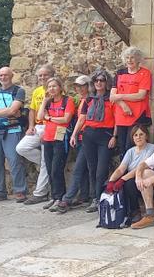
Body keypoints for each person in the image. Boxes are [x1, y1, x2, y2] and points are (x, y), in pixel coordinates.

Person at [71, 70, 117, 213]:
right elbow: (82, 118)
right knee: (91, 168)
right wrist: (74, 134)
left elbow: (117, 120)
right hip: (89, 134)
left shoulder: (111, 99)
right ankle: (94, 198)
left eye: (102, 80)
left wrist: (114, 136)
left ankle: (99, 197)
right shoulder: (89, 99)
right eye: (96, 80)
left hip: (105, 135)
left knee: (101, 170)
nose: (99, 83)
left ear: (106, 82)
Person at [0, 67, 28, 203]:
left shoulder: (18, 91)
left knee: (14, 161)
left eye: (5, 75)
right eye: (0, 75)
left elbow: (13, 110)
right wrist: (7, 111)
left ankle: (20, 191)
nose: (3, 78)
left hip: (13, 130)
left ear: (11, 76)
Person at [16, 64, 55, 205]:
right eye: (40, 75)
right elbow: (32, 110)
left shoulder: (55, 91)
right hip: (38, 126)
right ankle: (49, 164)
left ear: (52, 76)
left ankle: (40, 193)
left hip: (49, 127)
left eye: (45, 75)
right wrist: (31, 126)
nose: (42, 78)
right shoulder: (37, 91)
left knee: (45, 162)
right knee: (21, 148)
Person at [38, 77, 76, 214]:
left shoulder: (67, 101)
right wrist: (44, 101)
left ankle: (60, 198)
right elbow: (40, 115)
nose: (52, 89)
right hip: (48, 137)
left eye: (54, 86)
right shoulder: (48, 102)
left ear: (60, 87)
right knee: (49, 169)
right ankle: (54, 197)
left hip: (61, 138)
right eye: (49, 87)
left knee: (56, 169)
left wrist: (49, 118)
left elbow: (66, 119)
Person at [105, 125, 154, 226]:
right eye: (135, 135)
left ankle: (135, 211)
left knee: (128, 183)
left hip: (146, 180)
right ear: (132, 138)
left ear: (146, 136)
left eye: (141, 134)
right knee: (109, 183)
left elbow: (141, 168)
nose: (138, 137)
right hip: (131, 178)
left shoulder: (152, 148)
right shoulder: (130, 151)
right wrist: (111, 181)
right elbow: (121, 169)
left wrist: (123, 179)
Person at [111, 47, 153, 154]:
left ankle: (134, 170)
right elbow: (112, 96)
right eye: (127, 58)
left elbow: (141, 95)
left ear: (138, 59)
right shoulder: (120, 73)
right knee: (122, 148)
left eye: (132, 57)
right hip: (121, 115)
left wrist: (120, 97)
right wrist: (124, 105)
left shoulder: (145, 73)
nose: (129, 60)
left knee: (132, 146)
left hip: (137, 116)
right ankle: (123, 171)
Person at [62, 75, 94, 210]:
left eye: (83, 85)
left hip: (86, 137)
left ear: (88, 86)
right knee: (84, 170)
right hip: (82, 138)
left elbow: (82, 119)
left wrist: (73, 135)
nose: (80, 88)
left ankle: (67, 198)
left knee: (78, 169)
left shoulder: (89, 100)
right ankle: (84, 197)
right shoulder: (80, 100)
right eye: (78, 86)